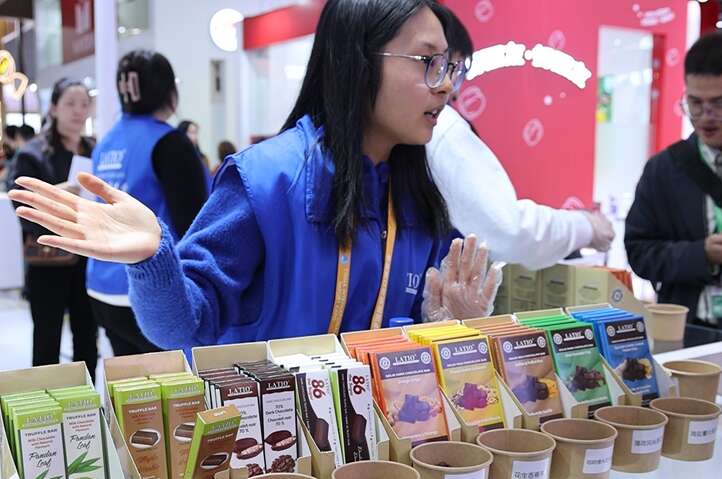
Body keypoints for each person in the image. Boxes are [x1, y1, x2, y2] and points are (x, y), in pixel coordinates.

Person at [10, 0, 502, 353]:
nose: (446, 86)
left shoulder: (418, 198)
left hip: (382, 456)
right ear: (358, 61)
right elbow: (184, 326)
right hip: (272, 456)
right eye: (429, 62)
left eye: (451, 67)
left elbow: (410, 340)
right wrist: (153, 258)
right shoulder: (266, 181)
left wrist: (447, 330)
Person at [426, 6, 615, 271]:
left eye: (455, 72)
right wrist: (585, 227)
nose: (449, 87)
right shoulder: (442, 126)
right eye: (450, 68)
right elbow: (507, 230)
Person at [85, 50, 208, 356]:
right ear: (169, 91)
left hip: (101, 285)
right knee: (176, 382)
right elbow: (195, 223)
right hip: (151, 291)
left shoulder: (105, 143)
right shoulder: (169, 142)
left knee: (129, 380)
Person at [625, 31, 722, 326]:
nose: (706, 116)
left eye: (719, 103)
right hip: (688, 328)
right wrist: (700, 254)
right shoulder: (663, 170)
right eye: (695, 103)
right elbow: (639, 252)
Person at [9, 78, 98, 376]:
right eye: (70, 103)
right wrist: (60, 194)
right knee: (47, 341)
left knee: (88, 338)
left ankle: (86, 400)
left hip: (89, 258)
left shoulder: (94, 149)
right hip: (49, 260)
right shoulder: (33, 153)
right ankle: (46, 401)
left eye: (84, 104)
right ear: (54, 107)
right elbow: (21, 206)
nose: (78, 111)